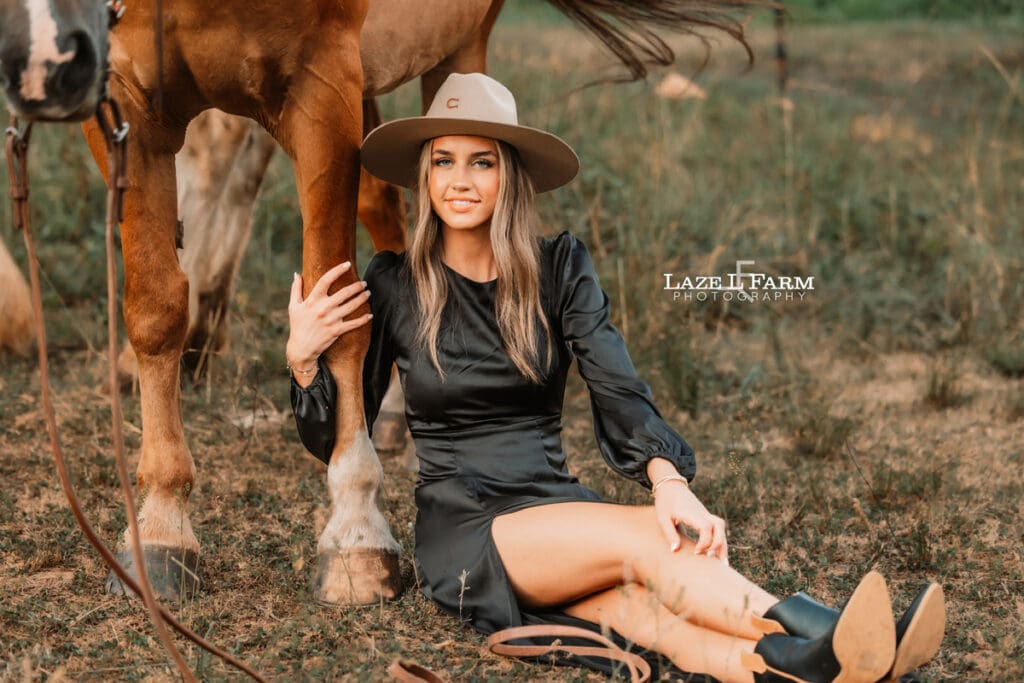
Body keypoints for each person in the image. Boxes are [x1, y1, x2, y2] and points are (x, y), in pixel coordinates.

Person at [286, 73, 945, 682]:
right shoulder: (394, 283)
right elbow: (338, 436)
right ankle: (832, 634)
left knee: (654, 618)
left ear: (509, 175)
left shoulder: (558, 268)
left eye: (481, 161)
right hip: (467, 529)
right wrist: (305, 359)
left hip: (553, 502)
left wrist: (668, 477)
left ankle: (799, 669)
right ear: (426, 177)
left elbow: (616, 381)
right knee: (655, 538)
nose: (460, 180)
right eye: (444, 161)